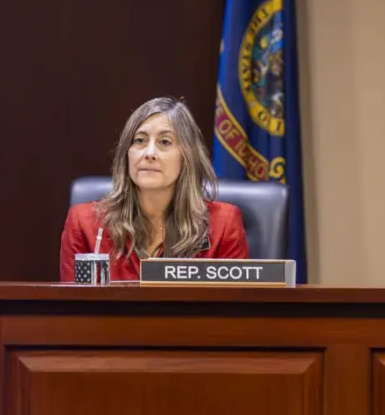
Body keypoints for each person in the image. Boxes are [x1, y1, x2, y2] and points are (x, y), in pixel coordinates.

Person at [60, 96, 249, 281]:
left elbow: (233, 310)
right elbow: (76, 309)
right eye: (140, 141)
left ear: (187, 158)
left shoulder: (223, 225)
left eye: (165, 142)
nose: (149, 153)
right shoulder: (84, 224)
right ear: (127, 155)